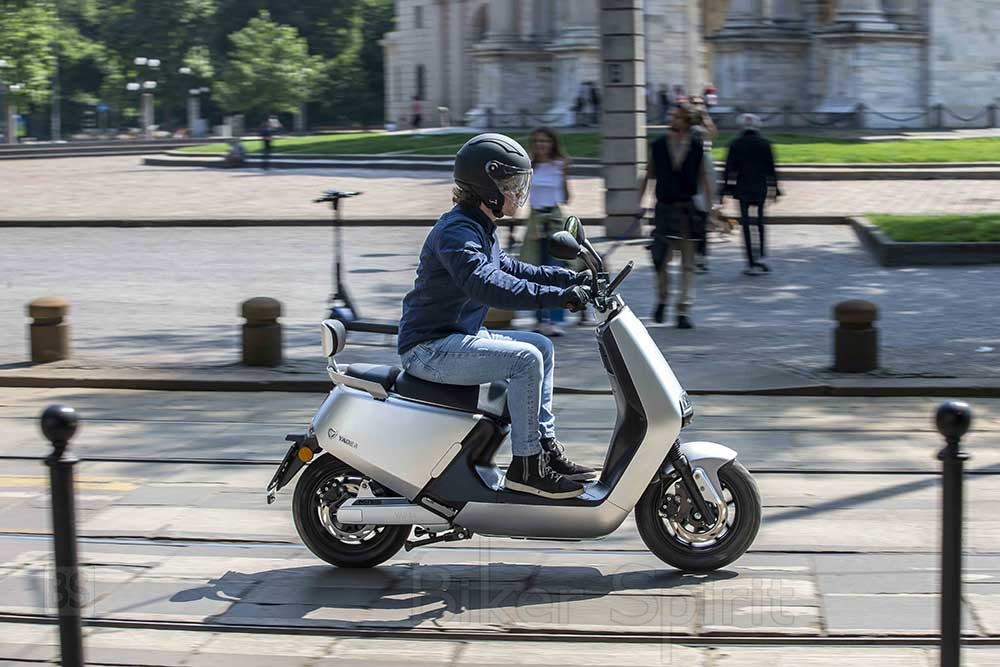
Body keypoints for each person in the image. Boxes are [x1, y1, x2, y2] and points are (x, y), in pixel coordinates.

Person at [397, 133, 596, 500]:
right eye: (510, 185)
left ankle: (544, 448)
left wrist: (571, 279)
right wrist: (559, 297)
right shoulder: (457, 232)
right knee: (525, 359)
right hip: (429, 348)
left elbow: (513, 269)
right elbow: (487, 285)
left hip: (458, 336)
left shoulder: (479, 226)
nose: (518, 193)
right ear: (486, 188)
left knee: (541, 346)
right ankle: (527, 467)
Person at [636, 103, 705, 329]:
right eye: (671, 116)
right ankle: (663, 298)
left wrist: (712, 207)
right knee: (660, 259)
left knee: (688, 263)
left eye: (676, 117)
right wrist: (640, 203)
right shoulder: (658, 145)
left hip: (687, 210)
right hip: (664, 210)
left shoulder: (696, 146)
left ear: (686, 121)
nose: (671, 119)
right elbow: (648, 175)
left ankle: (683, 309)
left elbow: (703, 177)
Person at [521, 127, 588, 335]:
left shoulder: (560, 164)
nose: (541, 145)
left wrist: (565, 175)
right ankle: (540, 318)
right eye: (537, 141)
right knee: (535, 270)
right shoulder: (529, 166)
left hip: (555, 220)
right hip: (536, 221)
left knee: (556, 270)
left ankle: (556, 319)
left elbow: (566, 198)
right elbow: (521, 195)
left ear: (552, 143)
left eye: (545, 141)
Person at [721, 113, 780, 276]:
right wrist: (775, 189)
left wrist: (725, 190)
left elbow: (729, 170)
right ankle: (761, 256)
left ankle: (750, 262)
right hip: (760, 187)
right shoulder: (765, 144)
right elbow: (771, 169)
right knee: (759, 222)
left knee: (746, 224)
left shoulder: (735, 144)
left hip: (742, 188)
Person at [690, 98, 719, 273]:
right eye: (695, 103)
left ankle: (701, 256)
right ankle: (697, 255)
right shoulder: (689, 126)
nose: (697, 106)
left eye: (699, 103)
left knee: (701, 217)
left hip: (705, 165)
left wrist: (705, 116)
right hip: (693, 167)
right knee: (696, 218)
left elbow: (713, 133)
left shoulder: (704, 126)